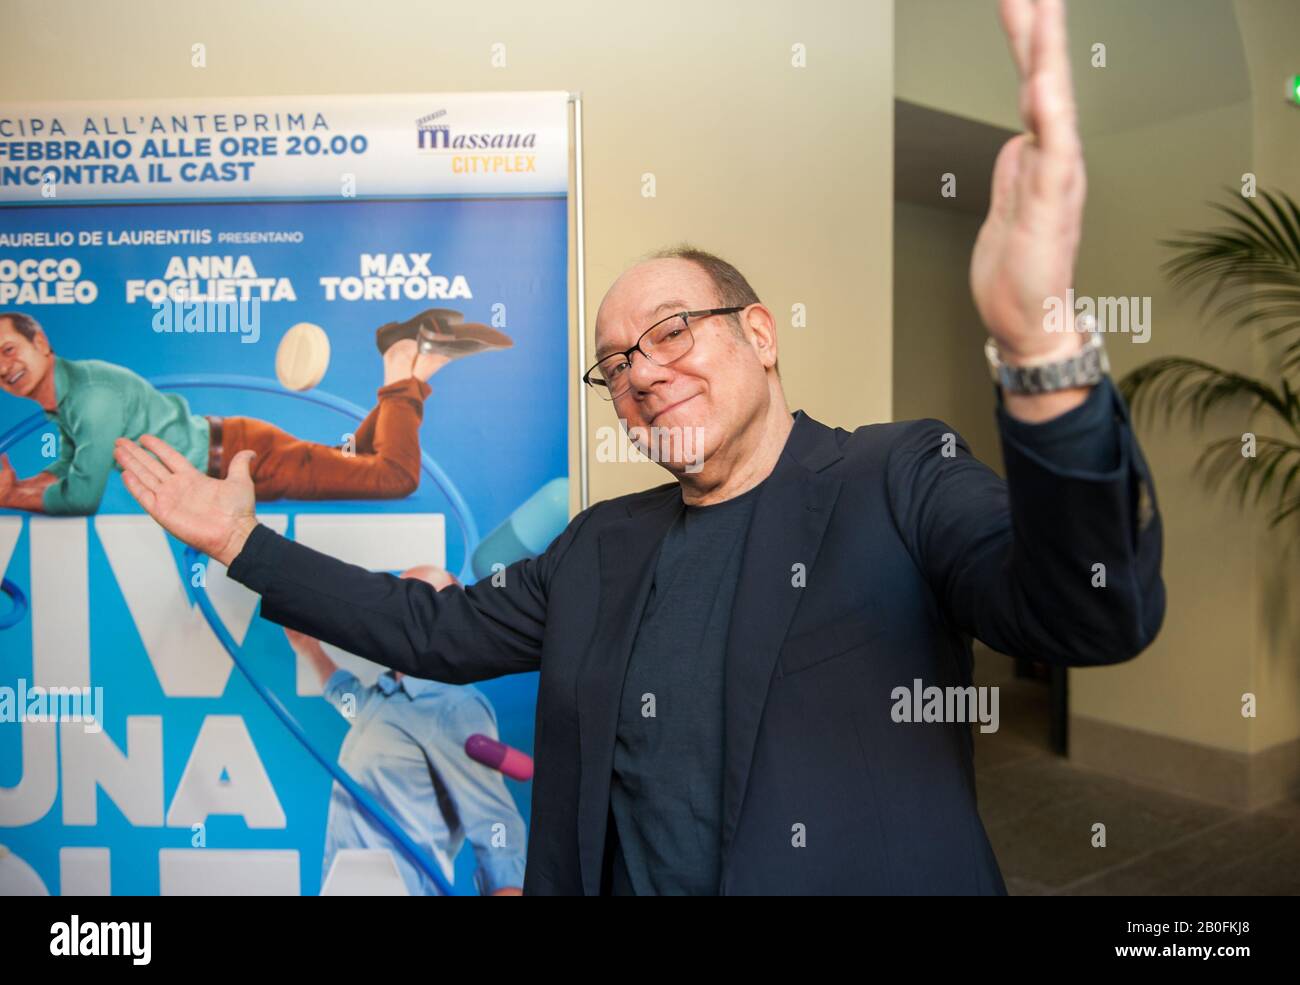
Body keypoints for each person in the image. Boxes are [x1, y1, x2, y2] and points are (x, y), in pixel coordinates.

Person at [113, 0, 1165, 894]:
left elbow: (1090, 607)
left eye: (670, 332)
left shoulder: (895, 476)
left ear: (758, 333)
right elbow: (425, 631)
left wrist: (1039, 347)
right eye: (615, 361)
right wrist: (243, 545)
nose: (641, 370)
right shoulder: (600, 546)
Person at [0, 308, 511, 514]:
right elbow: (66, 471)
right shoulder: (66, 399)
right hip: (238, 452)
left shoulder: (91, 398)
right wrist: (22, 486)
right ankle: (411, 369)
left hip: (241, 461)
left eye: (7, 350)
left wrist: (10, 498)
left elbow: (81, 494)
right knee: (349, 457)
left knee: (392, 476)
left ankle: (402, 364)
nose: (4, 368)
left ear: (39, 342)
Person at [287, 564, 526, 897]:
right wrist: (309, 649)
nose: (393, 613)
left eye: (413, 603)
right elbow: (352, 704)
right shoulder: (386, 698)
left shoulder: (453, 707)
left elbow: (496, 823)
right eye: (393, 601)